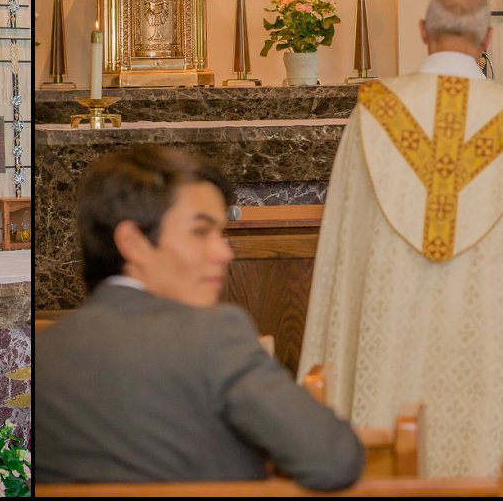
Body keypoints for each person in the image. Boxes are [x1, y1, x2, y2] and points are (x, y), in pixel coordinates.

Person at [299, 0, 503, 496]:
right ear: (488, 37)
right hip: (489, 330)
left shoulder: (375, 111)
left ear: (423, 33)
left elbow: (346, 247)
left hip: (392, 331)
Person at [37, 145, 364, 489]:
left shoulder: (44, 352)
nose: (224, 252)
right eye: (200, 232)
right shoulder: (214, 334)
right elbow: (334, 459)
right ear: (133, 242)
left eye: (221, 233)